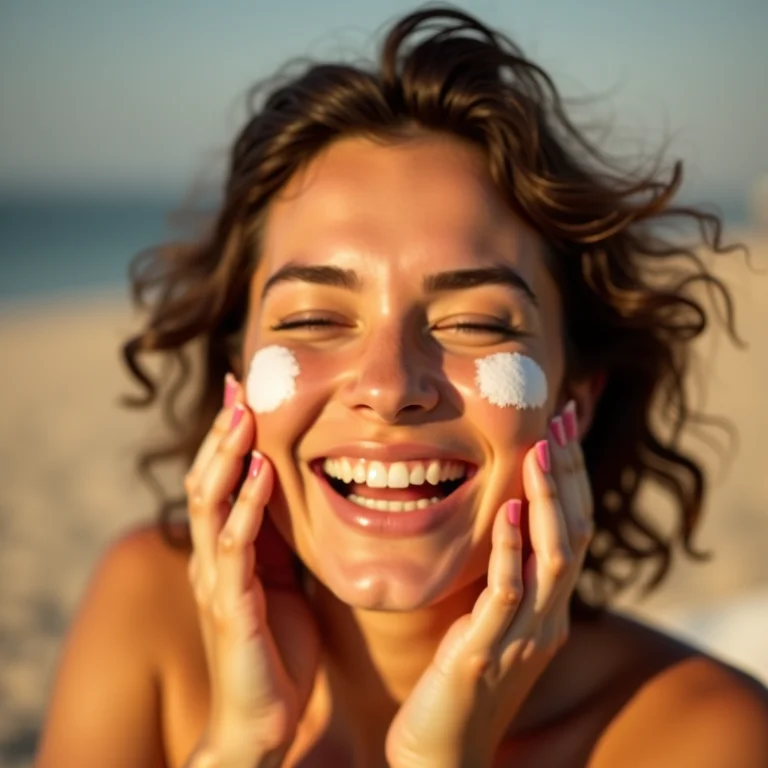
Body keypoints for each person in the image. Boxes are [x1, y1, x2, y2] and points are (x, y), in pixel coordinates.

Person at [34, 6, 768, 767]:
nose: (388, 387)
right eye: (315, 316)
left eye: (476, 324)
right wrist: (236, 748)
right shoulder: (147, 614)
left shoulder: (705, 738)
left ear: (572, 401)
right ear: (238, 377)